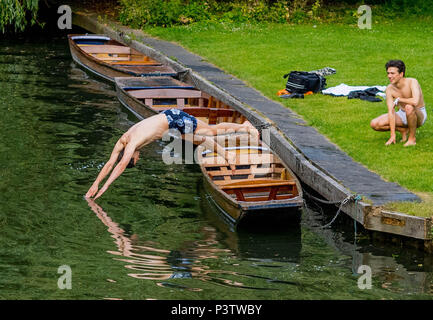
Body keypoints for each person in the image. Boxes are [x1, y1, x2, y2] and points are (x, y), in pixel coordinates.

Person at [85, 109, 259, 199]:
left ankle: (244, 126)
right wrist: (95, 184)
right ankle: (227, 156)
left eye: (136, 160)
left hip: (172, 119)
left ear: (131, 156)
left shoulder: (131, 144)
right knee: (197, 140)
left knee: (209, 132)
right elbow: (110, 163)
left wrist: (105, 187)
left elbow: (120, 164)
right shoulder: (123, 141)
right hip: (170, 123)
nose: (139, 158)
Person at [370, 60, 427, 147]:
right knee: (374, 124)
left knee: (409, 107)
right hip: (402, 114)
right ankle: (403, 130)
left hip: (418, 114)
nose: (389, 76)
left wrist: (400, 99)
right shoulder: (389, 89)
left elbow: (415, 101)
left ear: (401, 74)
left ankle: (412, 139)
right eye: (388, 73)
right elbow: (391, 111)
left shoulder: (412, 82)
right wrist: (393, 135)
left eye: (392, 73)